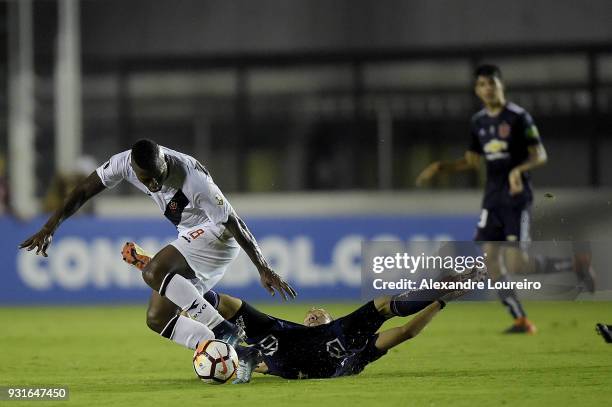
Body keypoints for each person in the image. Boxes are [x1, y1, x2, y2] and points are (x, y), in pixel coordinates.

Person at [20, 139, 296, 362]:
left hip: (218, 235)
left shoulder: (193, 179)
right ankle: (238, 355)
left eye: (157, 178)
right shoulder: (123, 164)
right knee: (158, 318)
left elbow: (234, 222)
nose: (152, 185)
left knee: (154, 272)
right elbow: (82, 191)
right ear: (133, 168)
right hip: (191, 236)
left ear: (164, 161)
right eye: (146, 180)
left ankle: (225, 332)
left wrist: (263, 267)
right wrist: (49, 228)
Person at [122, 241, 485, 383]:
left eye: (317, 312)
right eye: (311, 311)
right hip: (283, 343)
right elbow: (251, 363)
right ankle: (171, 278)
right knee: (224, 305)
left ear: (325, 318)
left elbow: (404, 332)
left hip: (309, 347)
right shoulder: (284, 339)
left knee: (383, 305)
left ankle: (446, 286)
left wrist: (439, 303)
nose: (313, 312)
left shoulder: (359, 351)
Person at [415, 64, 594, 334]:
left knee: (515, 264)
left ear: (501, 85)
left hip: (516, 197)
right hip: (492, 198)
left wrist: (518, 170)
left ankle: (574, 264)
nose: (488, 89)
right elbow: (473, 161)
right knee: (491, 260)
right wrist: (443, 167)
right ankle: (520, 319)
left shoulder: (518, 117)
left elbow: (540, 154)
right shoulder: (479, 122)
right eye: (482, 85)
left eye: (492, 83)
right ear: (477, 90)